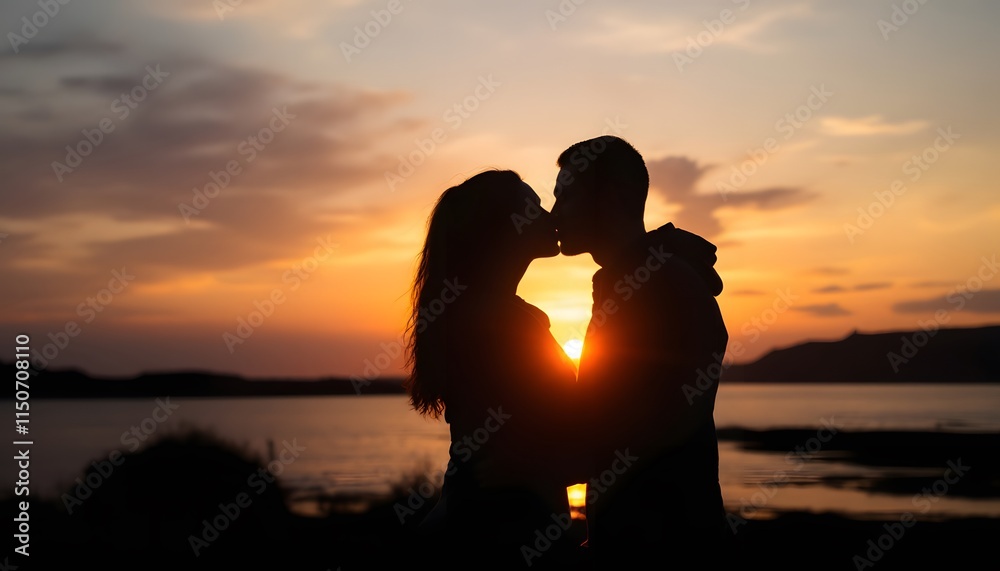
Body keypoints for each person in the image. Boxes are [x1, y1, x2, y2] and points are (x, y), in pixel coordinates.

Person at [551, 136, 732, 567]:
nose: (555, 214)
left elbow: (648, 432)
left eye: (568, 195)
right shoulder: (633, 280)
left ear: (616, 196)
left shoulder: (662, 286)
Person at [403, 169, 588, 570]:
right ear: (504, 228)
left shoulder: (481, 314)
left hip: (483, 523)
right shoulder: (498, 324)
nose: (550, 215)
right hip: (498, 537)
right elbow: (559, 440)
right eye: (534, 207)